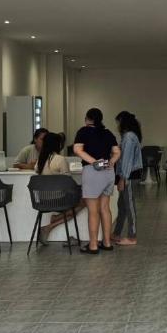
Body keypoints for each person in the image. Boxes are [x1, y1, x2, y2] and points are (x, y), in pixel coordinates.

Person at [72, 108, 120, 254]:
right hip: (109, 172)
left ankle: (93, 245)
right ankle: (106, 243)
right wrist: (110, 162)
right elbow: (117, 152)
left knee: (93, 211)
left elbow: (77, 150)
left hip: (93, 172)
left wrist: (94, 162)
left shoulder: (83, 131)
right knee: (105, 208)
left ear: (87, 119)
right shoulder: (108, 133)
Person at [112, 111, 143, 246]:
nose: (117, 125)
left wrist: (122, 178)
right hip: (128, 174)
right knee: (122, 205)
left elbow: (127, 160)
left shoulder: (129, 137)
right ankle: (116, 233)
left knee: (129, 205)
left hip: (129, 175)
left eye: (118, 122)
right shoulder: (128, 136)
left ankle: (132, 236)